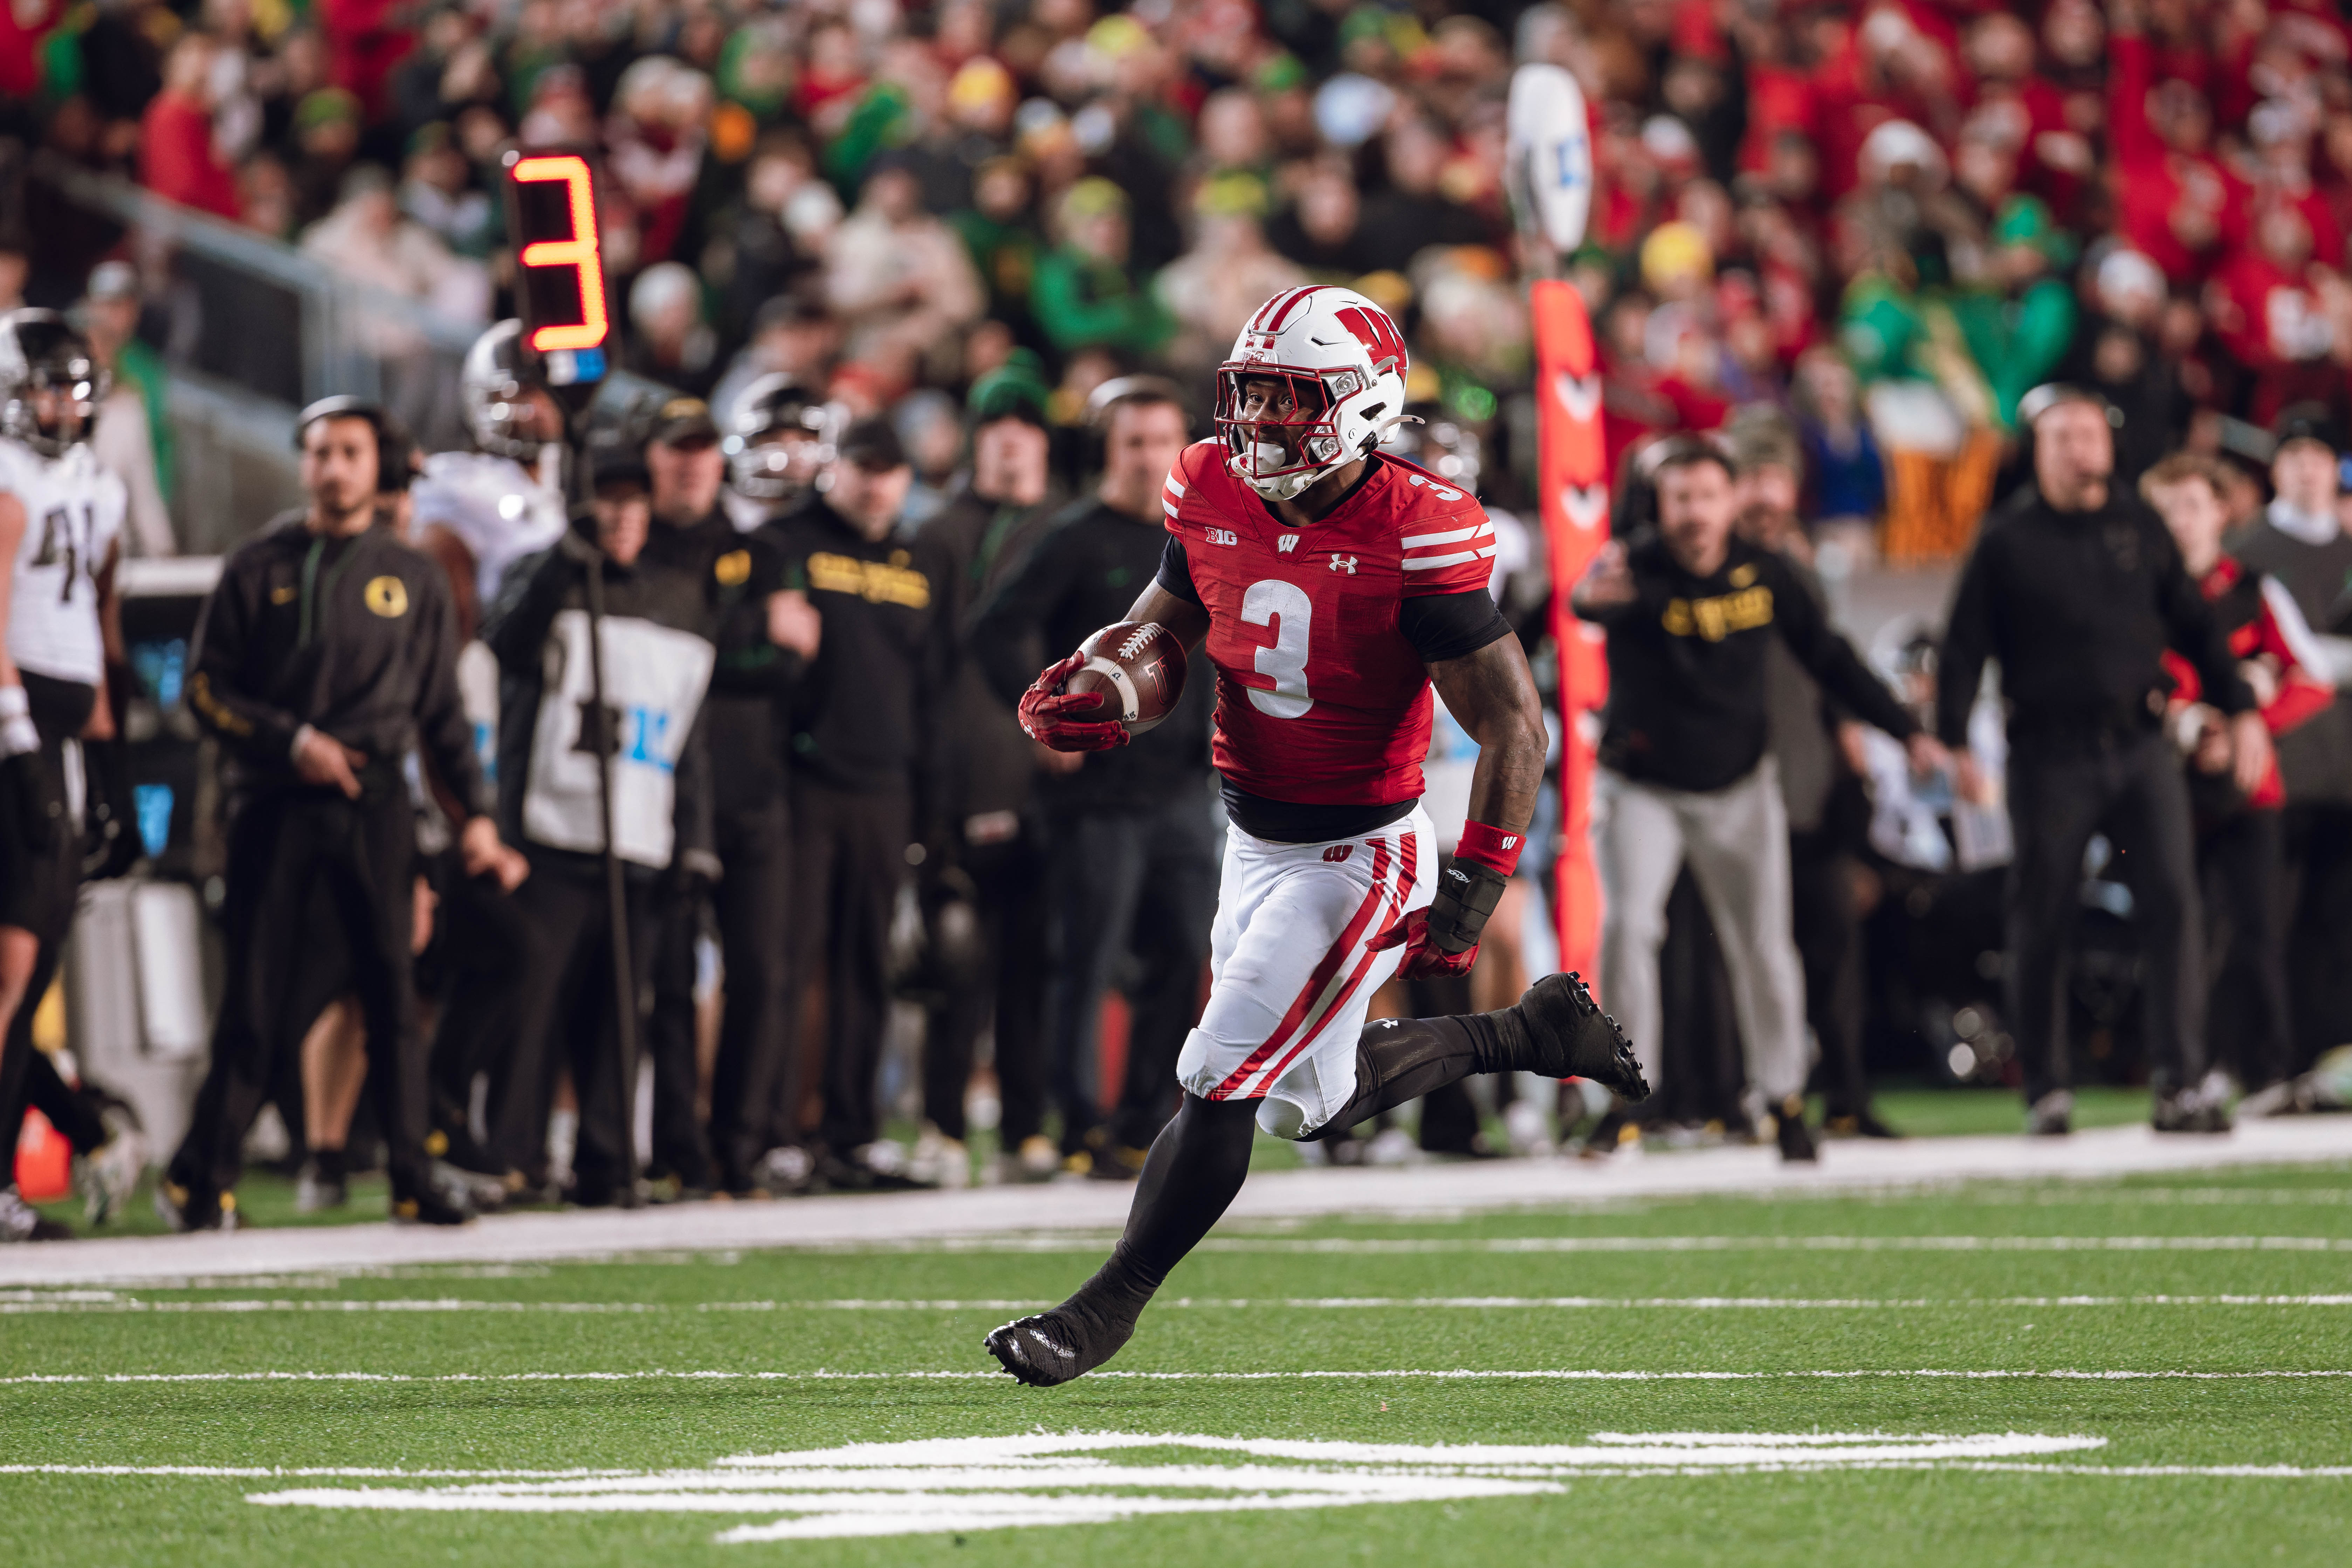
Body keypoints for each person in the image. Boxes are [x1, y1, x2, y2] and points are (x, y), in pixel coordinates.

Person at [982, 286, 1646, 1387]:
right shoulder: (1204, 481)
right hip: (1250, 832)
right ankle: (1525, 1034)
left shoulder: (1417, 526)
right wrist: (1116, 672)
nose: (1259, 425)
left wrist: (1477, 876)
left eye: (1290, 400)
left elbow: (1512, 723)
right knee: (1310, 1099)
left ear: (1363, 404)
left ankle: (1101, 1311)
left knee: (1221, 1068)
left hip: (1359, 851)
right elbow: (1175, 615)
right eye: (1249, 395)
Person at [161, 395, 526, 1230]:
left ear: (376, 468)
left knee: (393, 996)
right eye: (320, 452)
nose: (333, 468)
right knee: (256, 1002)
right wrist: (290, 743)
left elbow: (440, 716)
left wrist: (475, 816)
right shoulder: (258, 564)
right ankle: (202, 1178)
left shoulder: (417, 577)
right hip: (274, 806)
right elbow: (204, 692)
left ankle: (410, 1174)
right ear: (304, 465)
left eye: (350, 453)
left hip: (376, 807)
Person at [1573, 438, 1941, 1162]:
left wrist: (1907, 733)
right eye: (1680, 498)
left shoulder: (1767, 574)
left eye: (1708, 496)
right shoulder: (1632, 563)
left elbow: (1831, 658)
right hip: (1643, 786)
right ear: (1660, 505)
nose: (1695, 513)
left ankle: (1784, 1099)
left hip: (1741, 786)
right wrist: (1588, 598)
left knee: (1766, 949)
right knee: (1629, 931)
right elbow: (1588, 600)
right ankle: (1618, 1101)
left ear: (1733, 501)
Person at [1937, 386, 2270, 1135]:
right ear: (2039, 449)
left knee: (2174, 908)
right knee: (2043, 918)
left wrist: (2241, 708)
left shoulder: (2139, 524)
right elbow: (1963, 649)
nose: (2082, 450)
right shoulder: (2006, 539)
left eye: (2091, 435)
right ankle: (2046, 1089)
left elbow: (2195, 625)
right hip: (2048, 754)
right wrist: (1954, 739)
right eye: (2065, 438)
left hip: (2140, 744)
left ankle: (2179, 1084)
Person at [971, 375, 1218, 1180]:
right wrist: (1046, 720)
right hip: (1097, 797)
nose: (1150, 460)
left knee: (1186, 952)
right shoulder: (1076, 536)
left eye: (1161, 441)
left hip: (1185, 790)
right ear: (1108, 450)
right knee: (1087, 960)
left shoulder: (1205, 537)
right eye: (1133, 443)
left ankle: (1146, 1122)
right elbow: (996, 629)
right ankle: (1081, 1125)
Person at [478, 439, 718, 1205]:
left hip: (639, 828)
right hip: (550, 827)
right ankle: (512, 1153)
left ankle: (608, 1159)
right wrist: (562, 562)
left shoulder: (679, 594)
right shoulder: (544, 571)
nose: (621, 518)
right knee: (531, 1004)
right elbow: (505, 644)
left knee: (620, 1011)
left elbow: (688, 732)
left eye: (633, 502)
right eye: (607, 502)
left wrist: (695, 838)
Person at [768, 417, 945, 1190]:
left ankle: (852, 1132)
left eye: (890, 469)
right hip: (802, 784)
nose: (876, 482)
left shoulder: (924, 560)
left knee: (865, 965)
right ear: (834, 470)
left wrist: (931, 804)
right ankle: (773, 1132)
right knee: (787, 963)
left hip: (886, 788)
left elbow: (936, 686)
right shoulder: (787, 540)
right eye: (863, 467)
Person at [0, 311, 143, 1242]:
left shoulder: (99, 484)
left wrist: (110, 755)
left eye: (71, 385)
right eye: (43, 384)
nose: (60, 403)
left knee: (33, 960)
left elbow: (99, 615)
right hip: (13, 726)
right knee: (13, 968)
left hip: (60, 726)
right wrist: (18, 742)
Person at [907, 358, 1061, 1186]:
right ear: (977, 444)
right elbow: (923, 669)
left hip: (1044, 781)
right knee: (956, 962)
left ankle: (1029, 1125)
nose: (1013, 443)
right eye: (999, 429)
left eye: (1027, 428)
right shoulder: (938, 535)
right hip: (960, 774)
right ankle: (941, 1120)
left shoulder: (1063, 530)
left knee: (1032, 962)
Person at [2142, 454, 2333, 1094]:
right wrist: (2190, 727)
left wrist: (2254, 724)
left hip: (2250, 785)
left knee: (2255, 932)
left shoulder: (2253, 590)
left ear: (2220, 513)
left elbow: (2310, 678)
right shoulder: (2137, 594)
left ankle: (2264, 1068)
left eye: (2191, 507)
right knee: (2181, 933)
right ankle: (2192, 1067)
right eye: (2166, 510)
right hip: (2165, 787)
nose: (2180, 523)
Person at [697, 376, 822, 1197]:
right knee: (668, 970)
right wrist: (770, 646)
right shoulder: (704, 531)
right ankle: (670, 1136)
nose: (787, 455)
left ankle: (749, 1137)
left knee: (768, 968)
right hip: (686, 769)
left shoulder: (818, 538)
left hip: (782, 775)